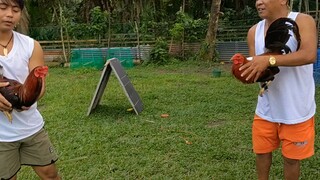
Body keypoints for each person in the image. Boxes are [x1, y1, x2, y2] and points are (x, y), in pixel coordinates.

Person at [239, 0, 317, 179]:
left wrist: (269, 60)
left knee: (291, 160)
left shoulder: (303, 21)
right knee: (262, 153)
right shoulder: (253, 32)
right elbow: (258, 68)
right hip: (266, 108)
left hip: (297, 109)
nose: (258, 2)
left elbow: (309, 54)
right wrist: (244, 71)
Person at [0, 0, 61, 179]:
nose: (10, 14)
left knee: (50, 174)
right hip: (1, 136)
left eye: (16, 9)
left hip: (30, 127)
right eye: (3, 8)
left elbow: (40, 85)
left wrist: (30, 97)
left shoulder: (31, 45)